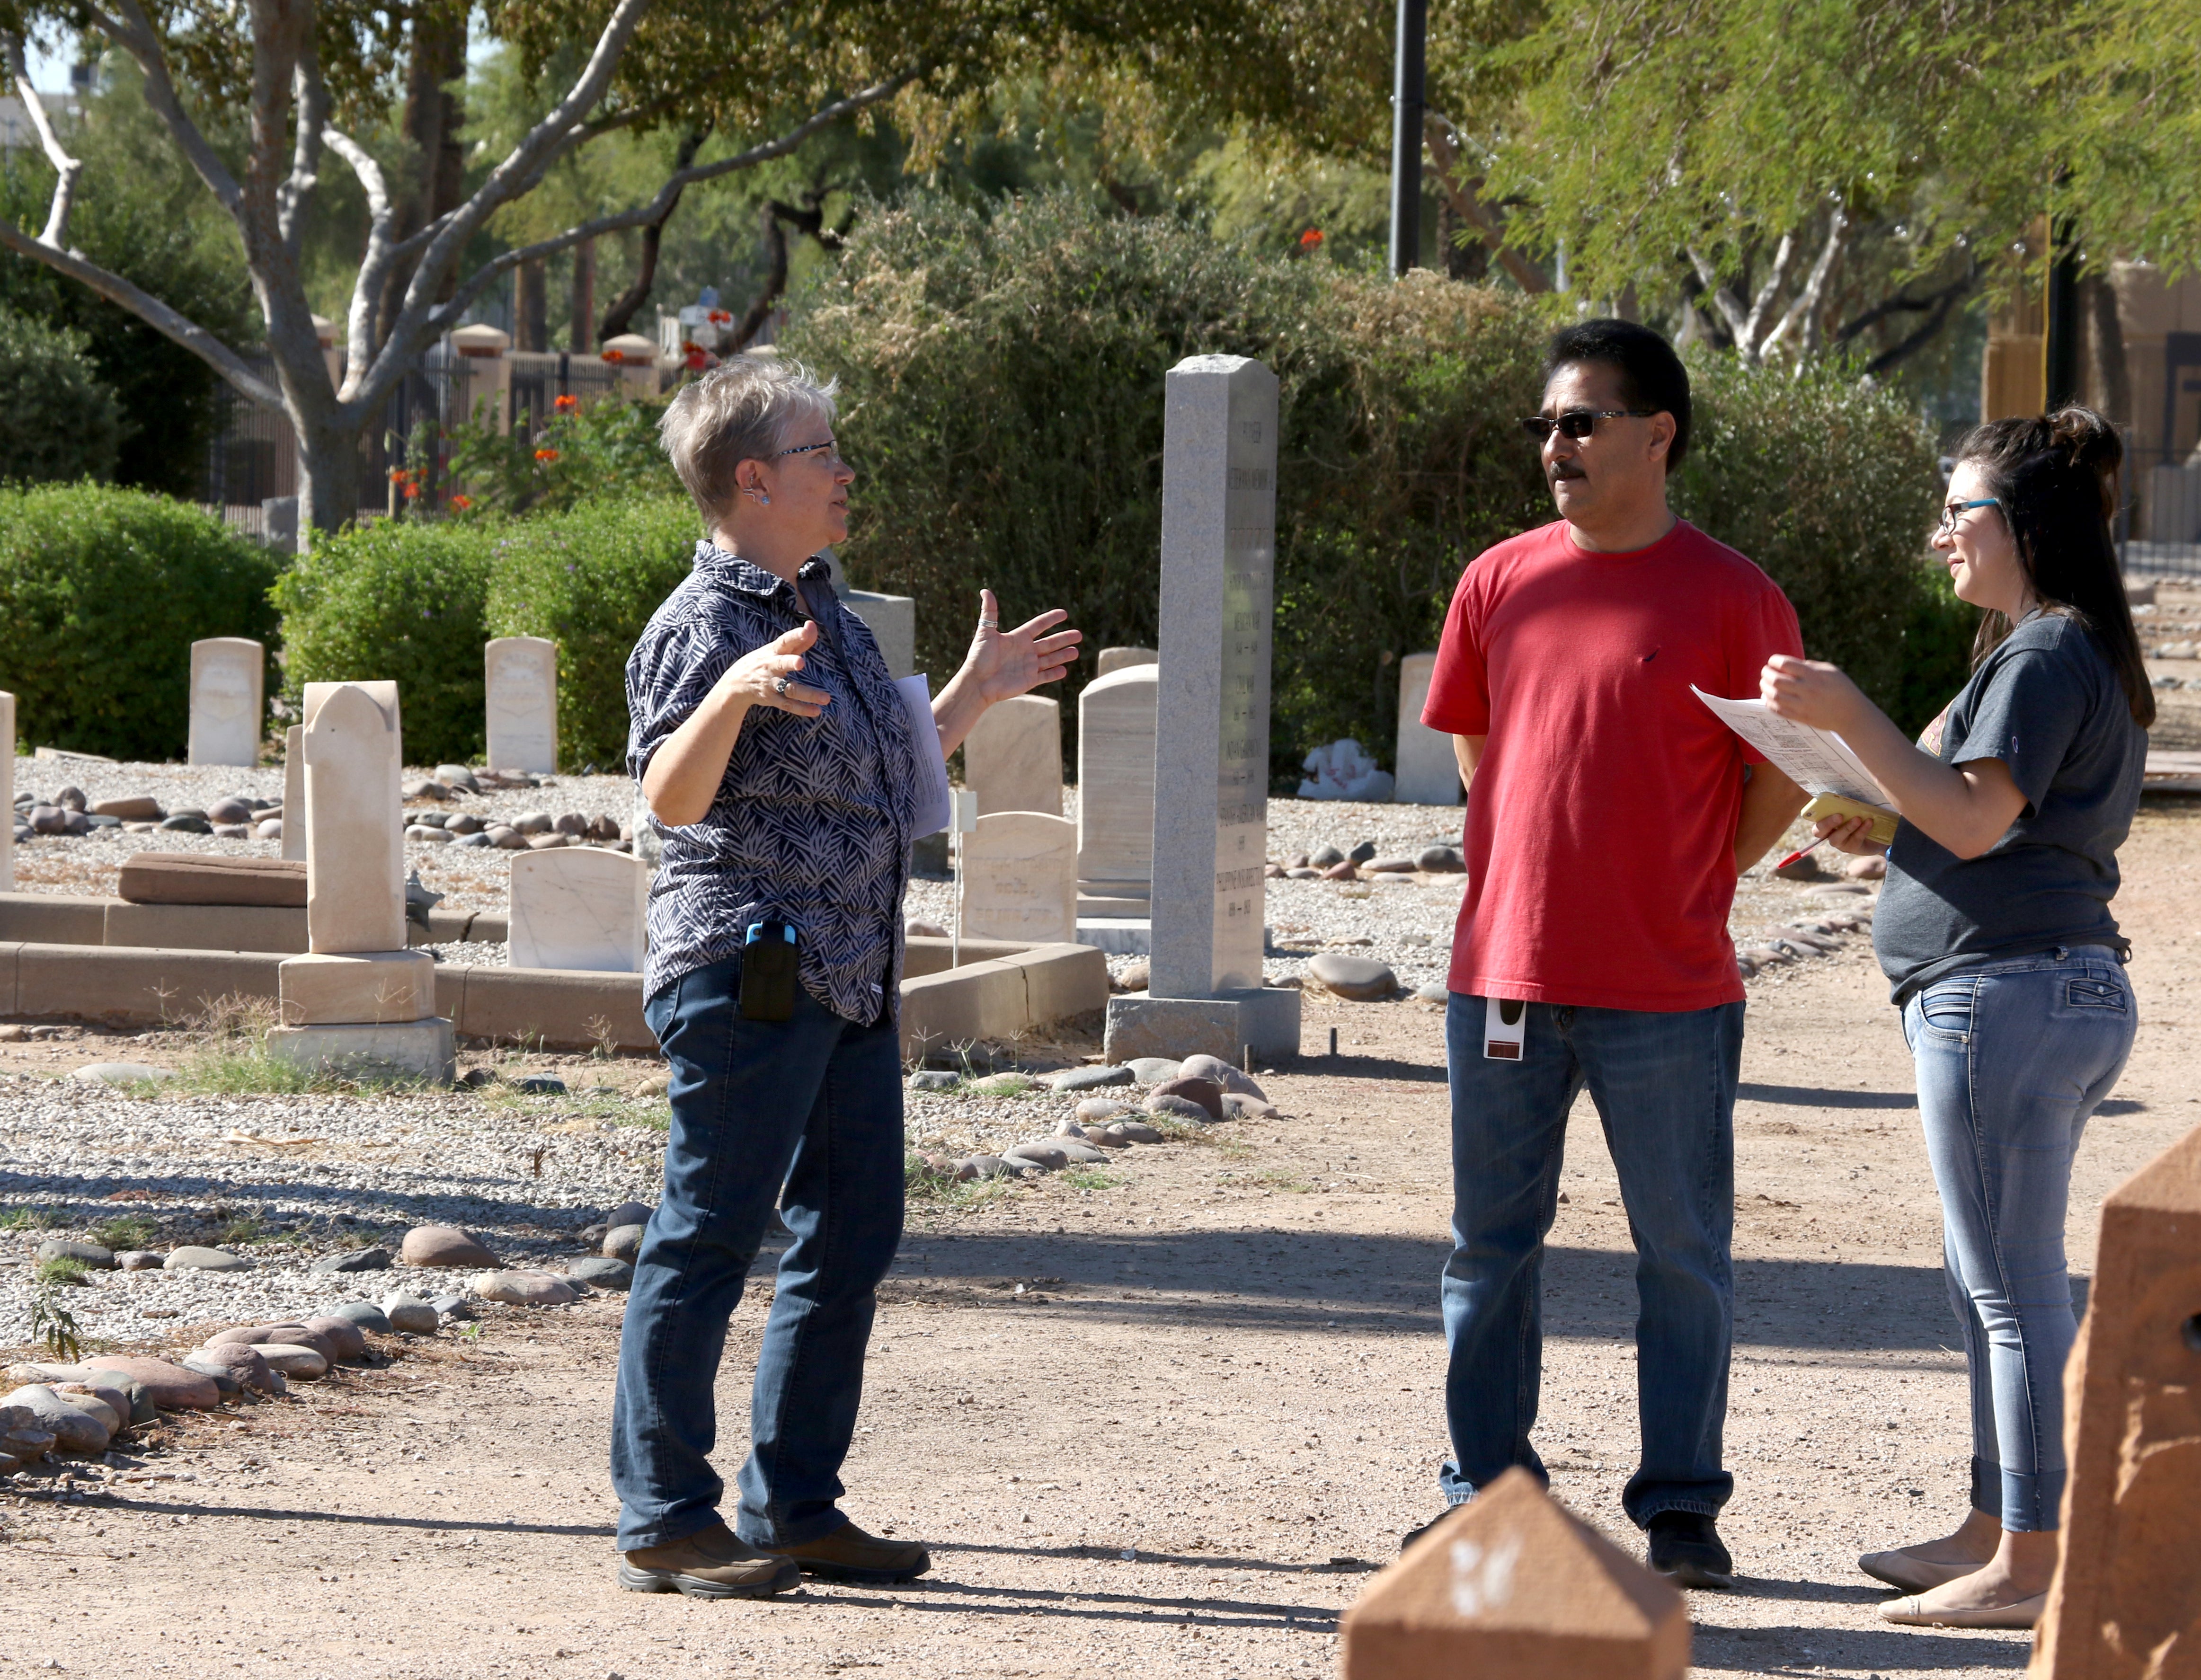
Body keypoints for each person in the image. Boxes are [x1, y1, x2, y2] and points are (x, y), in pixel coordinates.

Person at [611, 354, 1081, 1600]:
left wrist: (978, 690)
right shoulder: (702, 628)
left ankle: (794, 1507)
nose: (846, 473)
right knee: (709, 1236)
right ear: (754, 479)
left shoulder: (828, 606)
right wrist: (728, 693)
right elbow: (668, 795)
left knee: (853, 1231)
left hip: (853, 976)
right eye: (825, 454)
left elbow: (888, 780)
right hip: (746, 976)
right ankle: (663, 1515)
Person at [1412, 318, 1809, 1587]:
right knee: (1489, 1251)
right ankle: (1486, 1492)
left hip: (1670, 992)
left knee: (1681, 1255)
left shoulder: (1736, 596)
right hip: (1503, 980)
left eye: (1579, 422)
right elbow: (1477, 753)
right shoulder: (1495, 580)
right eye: (1544, 425)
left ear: (1656, 434)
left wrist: (1689, 881)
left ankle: (1681, 1508)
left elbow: (1778, 780)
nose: (1554, 446)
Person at [1763, 407, 2148, 1631]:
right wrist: (1878, 805)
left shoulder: (2044, 654)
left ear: (2021, 526)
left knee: (2010, 1287)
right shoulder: (2041, 651)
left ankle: (2032, 1562)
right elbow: (1961, 805)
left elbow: (1978, 821)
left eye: (1958, 511)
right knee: (1987, 1280)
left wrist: (1843, 715)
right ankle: (1995, 1528)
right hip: (2028, 991)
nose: (1940, 534)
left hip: (2009, 996)